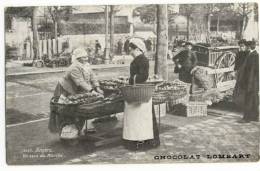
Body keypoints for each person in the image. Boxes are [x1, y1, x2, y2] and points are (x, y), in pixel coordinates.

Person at [48, 47, 104, 139]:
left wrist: (97, 88)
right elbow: (81, 82)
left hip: (76, 88)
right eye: (84, 57)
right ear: (78, 58)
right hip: (65, 89)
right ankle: (66, 132)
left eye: (86, 56)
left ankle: (77, 130)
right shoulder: (74, 67)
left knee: (78, 109)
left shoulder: (86, 65)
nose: (87, 58)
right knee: (67, 110)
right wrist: (92, 91)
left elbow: (92, 76)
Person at [123, 38, 160, 151]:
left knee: (140, 118)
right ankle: (136, 139)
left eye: (132, 50)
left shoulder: (142, 59)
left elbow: (143, 76)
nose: (131, 52)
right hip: (137, 91)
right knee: (137, 118)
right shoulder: (138, 59)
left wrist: (130, 80)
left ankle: (141, 140)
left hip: (140, 93)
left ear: (138, 49)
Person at [237, 40, 259, 122]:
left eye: (246, 46)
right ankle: (255, 117)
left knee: (248, 99)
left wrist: (249, 83)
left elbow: (252, 71)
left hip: (251, 82)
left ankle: (247, 118)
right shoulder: (255, 54)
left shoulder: (252, 56)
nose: (245, 48)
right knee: (254, 99)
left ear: (248, 47)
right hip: (254, 82)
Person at [233, 39, 249, 108]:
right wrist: (235, 71)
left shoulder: (248, 54)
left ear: (245, 46)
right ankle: (237, 103)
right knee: (238, 86)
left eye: (242, 46)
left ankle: (244, 103)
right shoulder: (238, 53)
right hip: (239, 72)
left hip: (245, 73)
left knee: (244, 87)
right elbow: (236, 63)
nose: (241, 48)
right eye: (240, 46)